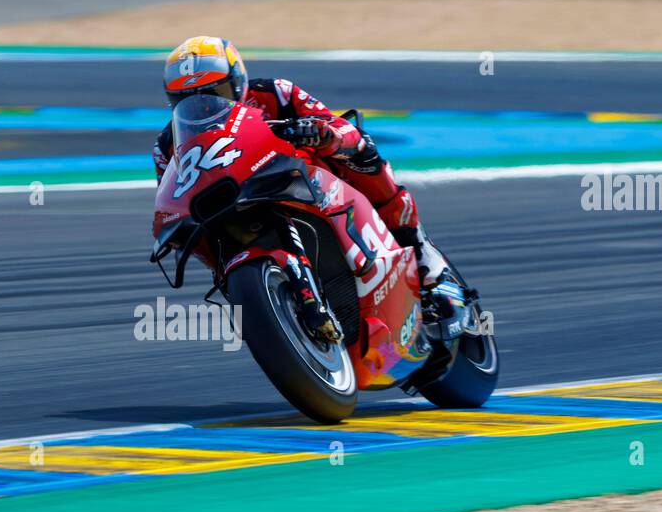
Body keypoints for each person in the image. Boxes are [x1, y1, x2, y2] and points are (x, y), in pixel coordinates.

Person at [153, 37, 459, 337]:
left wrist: (323, 133)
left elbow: (337, 125)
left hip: (305, 180)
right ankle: (262, 303)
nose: (206, 106)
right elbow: (173, 193)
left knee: (361, 150)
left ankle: (420, 248)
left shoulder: (275, 93)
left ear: (237, 81)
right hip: (233, 204)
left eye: (215, 92)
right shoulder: (167, 145)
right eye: (189, 100)